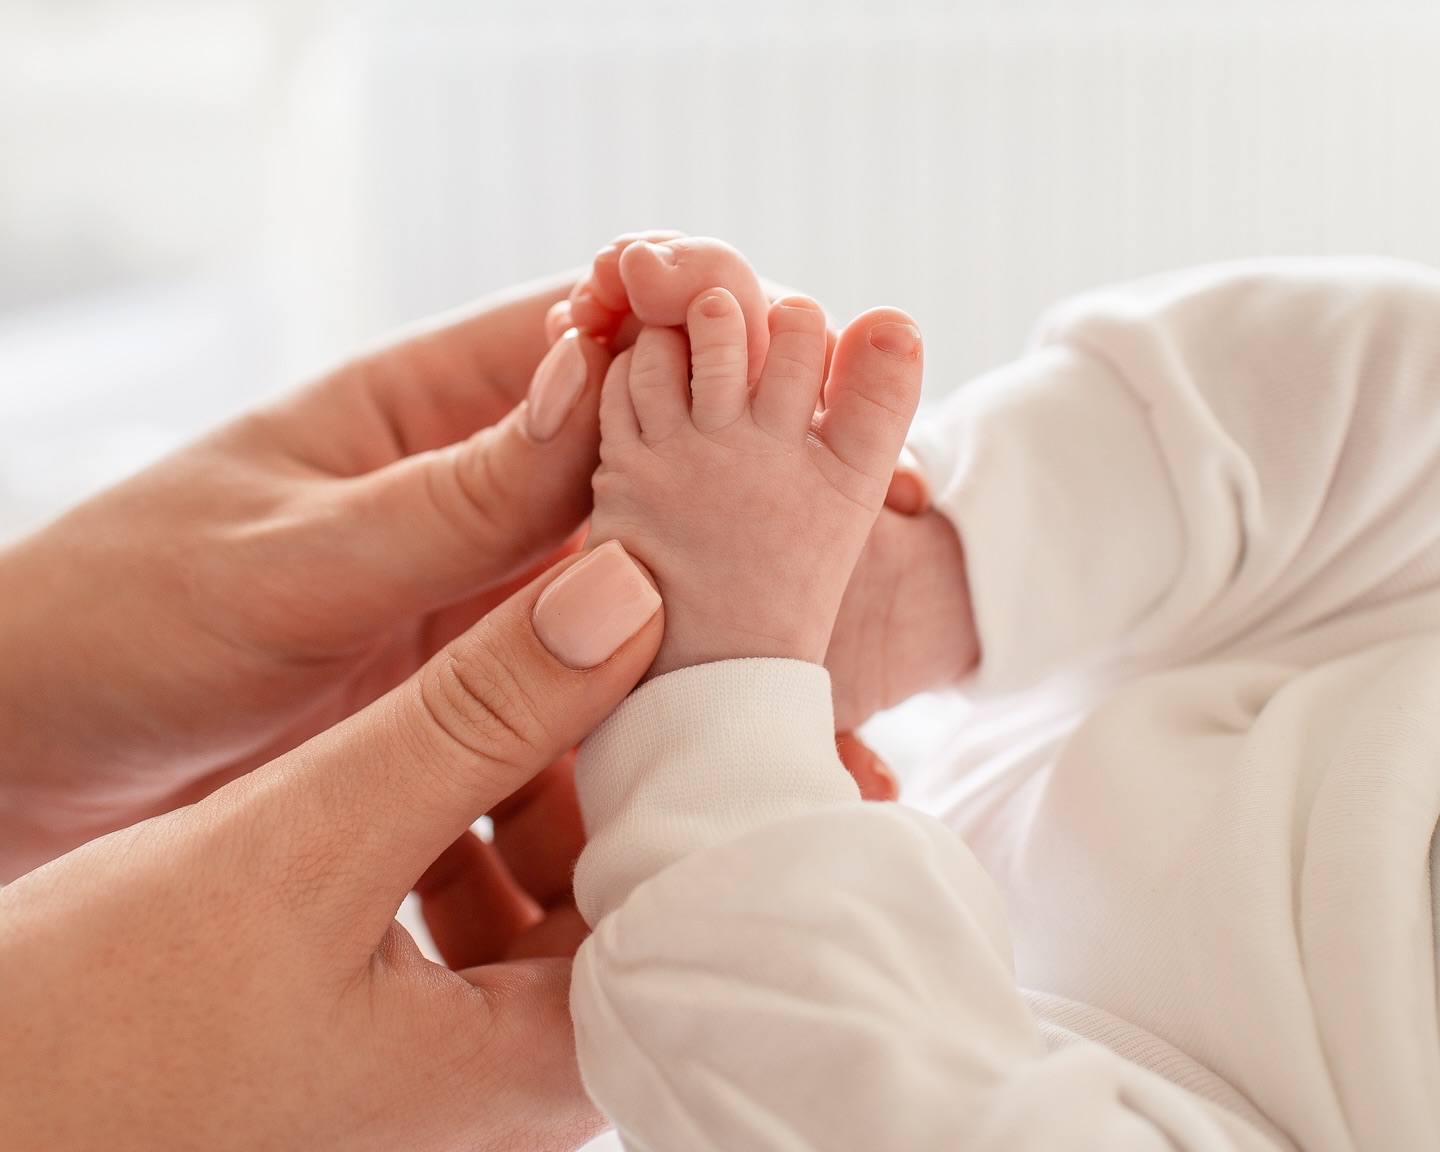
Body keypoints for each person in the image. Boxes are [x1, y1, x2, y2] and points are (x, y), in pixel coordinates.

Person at [554, 237, 1440, 1149]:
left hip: (966, 1034)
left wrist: (719, 750)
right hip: (1172, 662)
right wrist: (960, 565)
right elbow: (1405, 398)